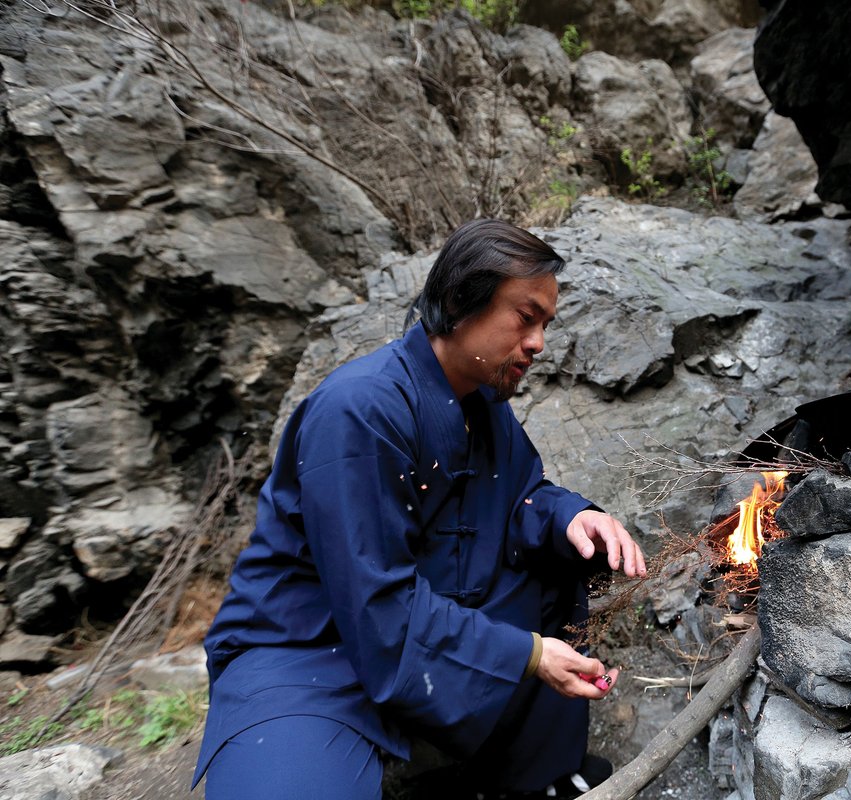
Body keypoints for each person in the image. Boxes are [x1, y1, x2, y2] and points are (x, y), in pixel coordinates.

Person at [192, 219, 647, 799]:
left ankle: (534, 778)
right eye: (525, 317)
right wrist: (528, 653)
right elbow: (376, 601)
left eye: (545, 325)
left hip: (415, 610)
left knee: (555, 555)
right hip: (310, 649)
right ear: (461, 302)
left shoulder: (482, 404)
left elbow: (518, 499)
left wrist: (568, 516)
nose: (538, 344)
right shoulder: (357, 411)